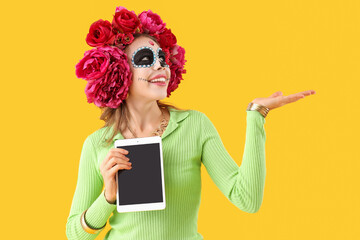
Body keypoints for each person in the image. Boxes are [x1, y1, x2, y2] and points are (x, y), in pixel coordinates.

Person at [66, 6, 316, 240]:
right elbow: (74, 234)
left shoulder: (194, 126)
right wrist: (108, 198)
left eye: (162, 58)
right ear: (119, 71)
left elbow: (247, 200)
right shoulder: (97, 144)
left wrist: (256, 115)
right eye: (145, 58)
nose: (161, 66)